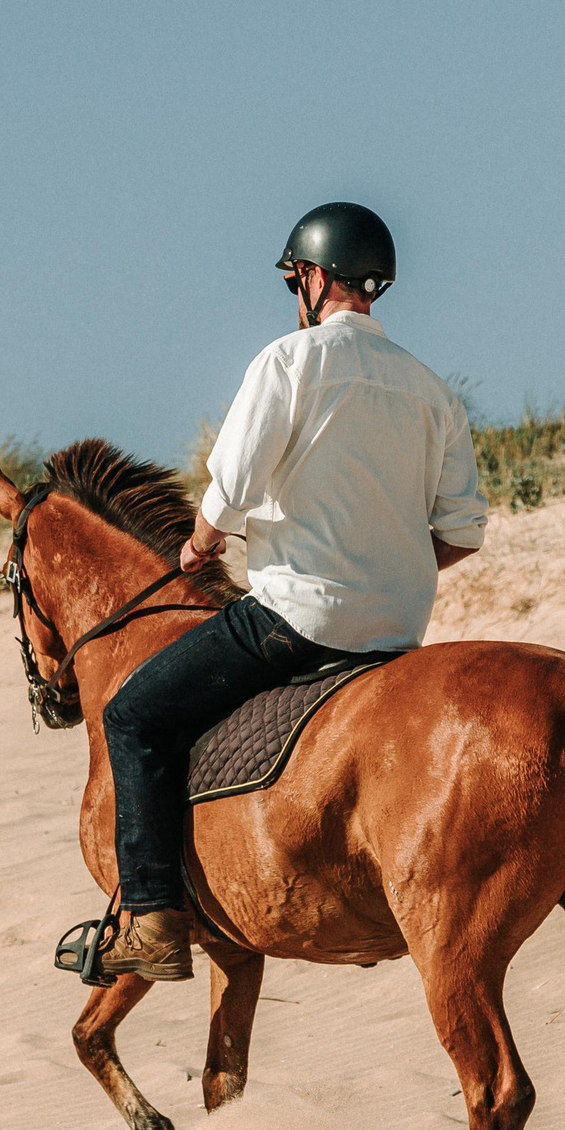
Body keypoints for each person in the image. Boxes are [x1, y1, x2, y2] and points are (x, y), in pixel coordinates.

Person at [98, 202, 490, 982]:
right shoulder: (431, 389)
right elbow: (462, 531)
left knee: (133, 713)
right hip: (399, 630)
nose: (294, 293)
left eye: (295, 279)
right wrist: (393, 564)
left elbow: (232, 484)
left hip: (295, 622)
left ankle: (150, 919)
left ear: (312, 277)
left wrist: (198, 544)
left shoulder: (286, 362)